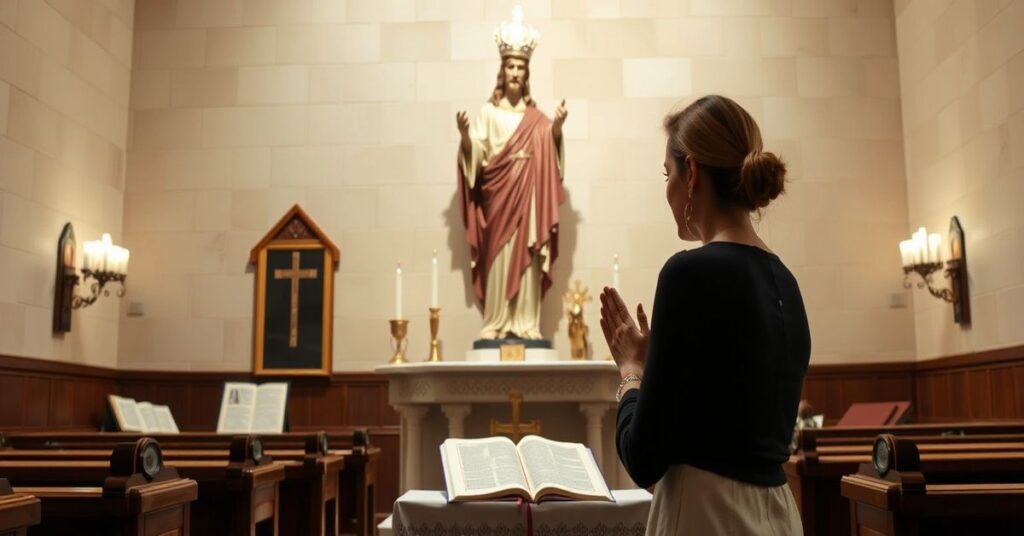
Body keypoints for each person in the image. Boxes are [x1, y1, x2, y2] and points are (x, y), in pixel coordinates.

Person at [600, 95, 810, 535]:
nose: (668, 189)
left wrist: (632, 372)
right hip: (779, 515)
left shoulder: (688, 273)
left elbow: (644, 459)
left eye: (667, 173)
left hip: (707, 515)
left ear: (691, 172)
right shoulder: (787, 282)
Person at [456, 7, 568, 340]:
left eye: (521, 66)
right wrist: (464, 138)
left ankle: (526, 324)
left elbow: (551, 155)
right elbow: (476, 158)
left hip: (528, 205)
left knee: (529, 257)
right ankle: (497, 321)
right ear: (502, 73)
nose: (515, 72)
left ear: (526, 73)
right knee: (500, 258)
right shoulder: (488, 114)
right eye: (510, 66)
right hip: (497, 202)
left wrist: (557, 130)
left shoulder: (538, 119)